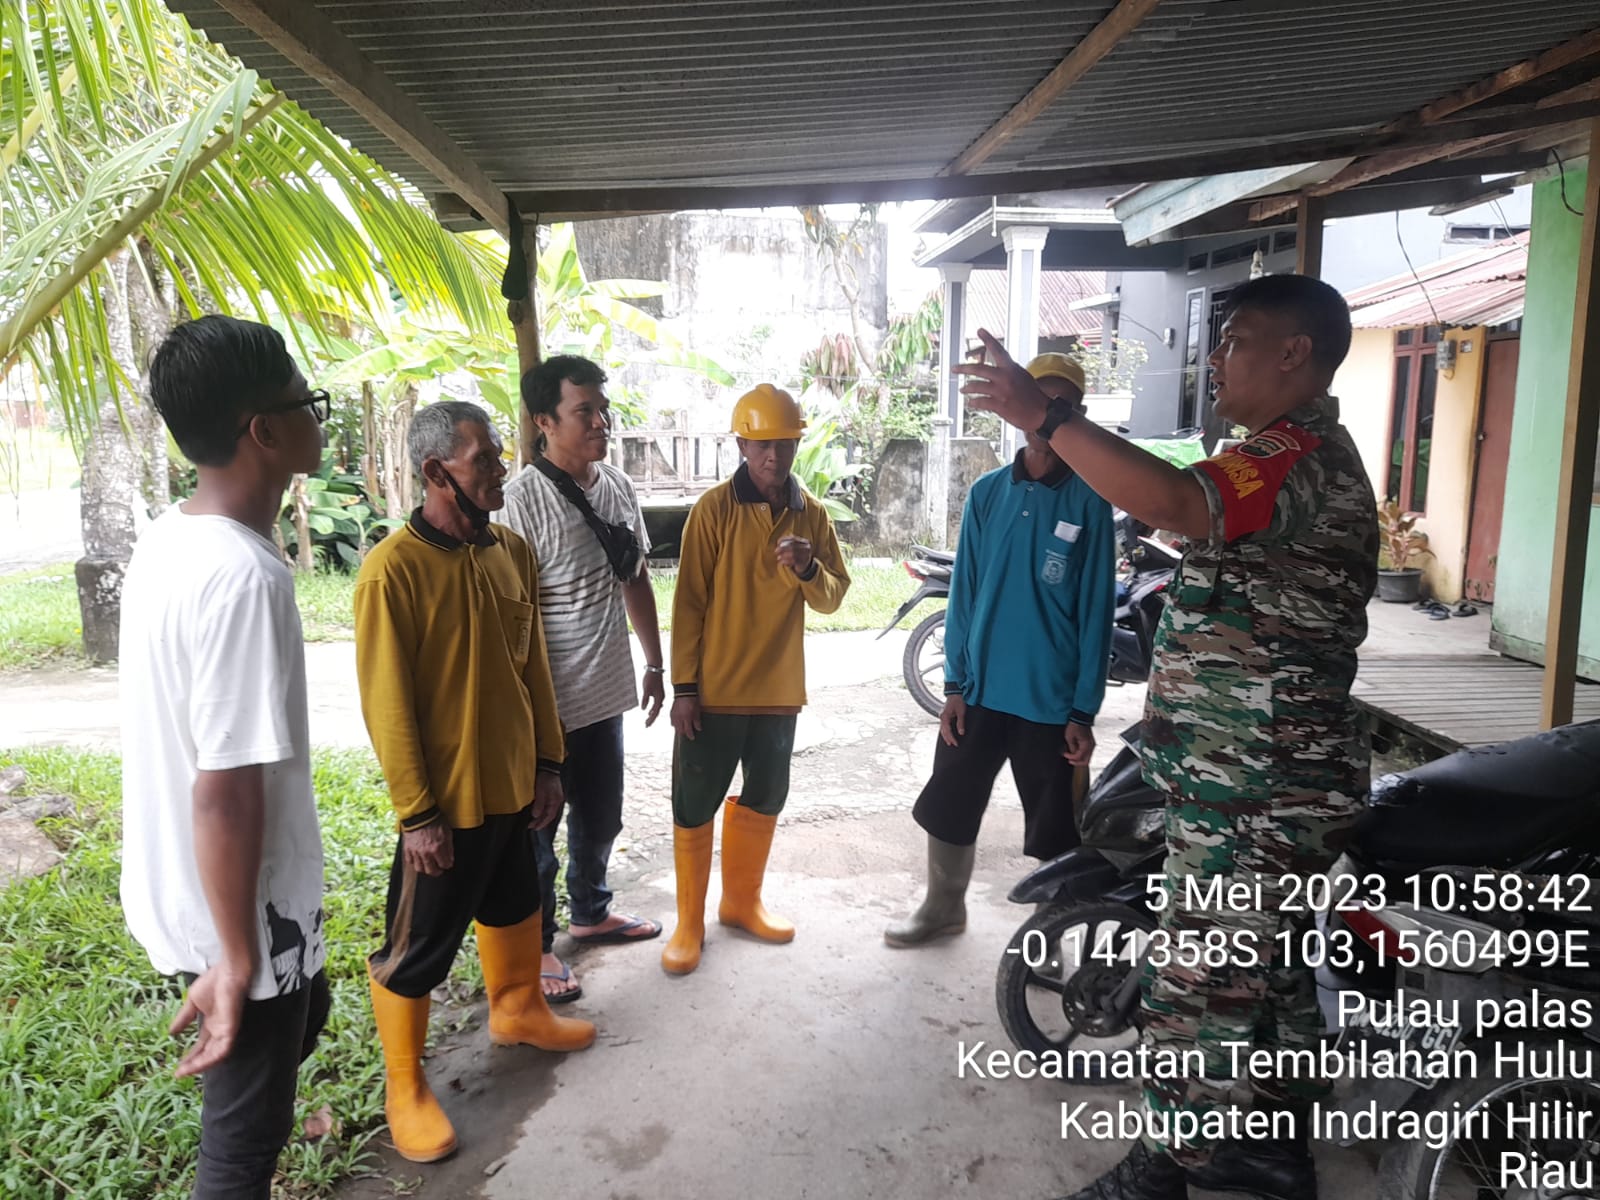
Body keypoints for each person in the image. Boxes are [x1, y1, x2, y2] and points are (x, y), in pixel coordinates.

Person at [957, 275, 1377, 1200]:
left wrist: (1049, 417)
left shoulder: (1296, 453)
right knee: (1263, 983)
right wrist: (1058, 418)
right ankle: (1269, 1153)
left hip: (1258, 788)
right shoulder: (1277, 453)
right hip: (1266, 777)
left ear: (1294, 353)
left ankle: (1159, 1175)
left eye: (1234, 339)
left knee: (1199, 984)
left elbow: (1183, 504)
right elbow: (1174, 497)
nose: (1216, 356)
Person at [119, 315, 330, 1198]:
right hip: (240, 919)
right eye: (305, 399)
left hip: (198, 903)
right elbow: (225, 791)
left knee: (286, 1057)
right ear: (266, 433)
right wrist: (240, 961)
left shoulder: (170, 539)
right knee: (240, 1151)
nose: (317, 414)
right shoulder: (246, 575)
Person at [354, 401, 594, 1164]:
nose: (500, 471)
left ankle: (518, 1010)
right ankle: (405, 1086)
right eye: (483, 460)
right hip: (445, 803)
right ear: (435, 473)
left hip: (515, 790)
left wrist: (549, 763)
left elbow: (535, 670)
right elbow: (387, 703)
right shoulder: (393, 570)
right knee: (417, 948)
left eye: (498, 456)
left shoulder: (510, 552)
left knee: (518, 908)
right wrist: (416, 813)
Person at [885, 354, 1114, 947]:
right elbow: (963, 593)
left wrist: (1082, 711)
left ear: (1077, 415)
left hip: (1050, 701)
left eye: (1061, 405)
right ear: (1017, 408)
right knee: (950, 802)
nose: (1045, 417)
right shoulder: (988, 493)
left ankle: (1060, 941)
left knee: (1057, 826)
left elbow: (1095, 615)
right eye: (1039, 401)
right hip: (982, 693)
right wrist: (955, 686)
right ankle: (942, 907)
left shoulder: (1091, 501)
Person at [660, 383, 851, 975]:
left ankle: (740, 903)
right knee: (695, 804)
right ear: (742, 444)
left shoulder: (811, 515)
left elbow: (833, 597)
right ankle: (688, 923)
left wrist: (807, 566)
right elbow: (688, 603)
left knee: (766, 798)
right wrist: (684, 689)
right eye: (761, 444)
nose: (774, 457)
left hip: (777, 693)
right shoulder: (714, 510)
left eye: (784, 444)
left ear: (796, 444)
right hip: (713, 695)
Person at [501, 354, 665, 1004]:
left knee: (601, 818)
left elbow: (636, 577)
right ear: (545, 421)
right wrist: (525, 711)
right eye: (583, 411)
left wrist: (655, 661)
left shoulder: (618, 486)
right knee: (539, 831)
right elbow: (511, 617)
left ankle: (591, 912)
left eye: (602, 408)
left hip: (605, 697)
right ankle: (538, 947)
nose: (600, 420)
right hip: (544, 708)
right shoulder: (521, 500)